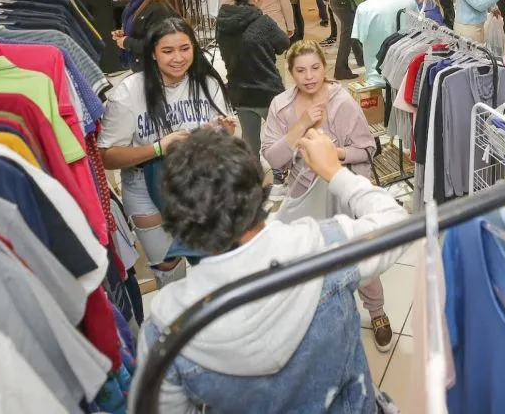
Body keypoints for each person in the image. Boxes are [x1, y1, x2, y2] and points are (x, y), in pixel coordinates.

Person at [136, 123, 408, 411]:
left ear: (180, 222)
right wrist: (335, 171)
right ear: (258, 189)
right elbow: (397, 224)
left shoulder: (164, 332)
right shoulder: (321, 247)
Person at [260, 41, 400, 351]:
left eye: (315, 68)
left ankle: (376, 311)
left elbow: (367, 149)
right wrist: (302, 124)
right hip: (302, 193)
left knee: (356, 253)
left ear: (325, 67)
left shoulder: (342, 102)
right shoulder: (280, 106)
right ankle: (317, 315)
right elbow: (273, 158)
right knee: (308, 257)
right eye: (300, 70)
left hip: (343, 188)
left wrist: (332, 155)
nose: (309, 76)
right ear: (290, 72)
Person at [99, 18, 234, 286]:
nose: (178, 58)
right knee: (169, 269)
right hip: (146, 191)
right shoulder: (129, 93)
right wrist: (159, 147)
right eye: (168, 51)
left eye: (185, 48)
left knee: (212, 264)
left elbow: (223, 142)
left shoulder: (207, 84)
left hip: (199, 187)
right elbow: (108, 156)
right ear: (152, 52)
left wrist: (223, 133)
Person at [216, 0, 291, 153]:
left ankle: (252, 176)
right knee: (280, 139)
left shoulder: (223, 23)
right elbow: (284, 44)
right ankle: (280, 176)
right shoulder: (263, 22)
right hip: (268, 91)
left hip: (240, 92)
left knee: (249, 142)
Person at [113, 0, 178, 71]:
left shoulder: (158, 9)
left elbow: (160, 45)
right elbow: (140, 30)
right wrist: (124, 33)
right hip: (142, 65)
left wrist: (127, 42)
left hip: (158, 69)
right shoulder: (133, 4)